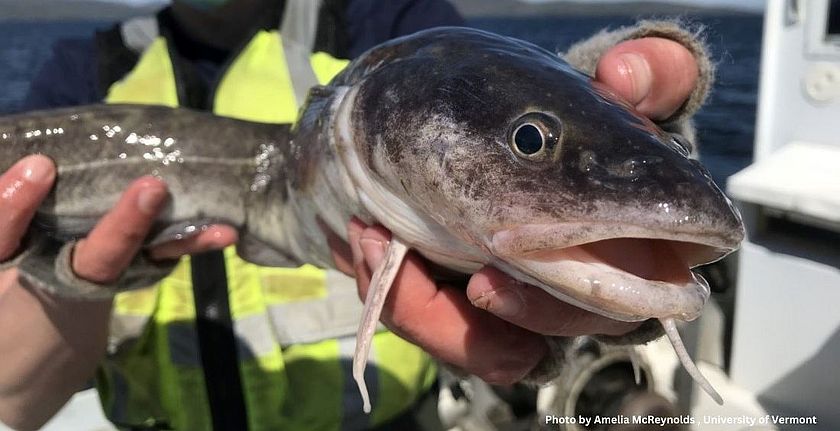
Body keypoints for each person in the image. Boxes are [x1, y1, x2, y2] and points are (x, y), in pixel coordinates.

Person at [0, 0, 711, 427]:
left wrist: (613, 103)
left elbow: (485, 79)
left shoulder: (378, 17)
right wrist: (67, 275)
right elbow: (16, 400)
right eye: (534, 142)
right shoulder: (81, 71)